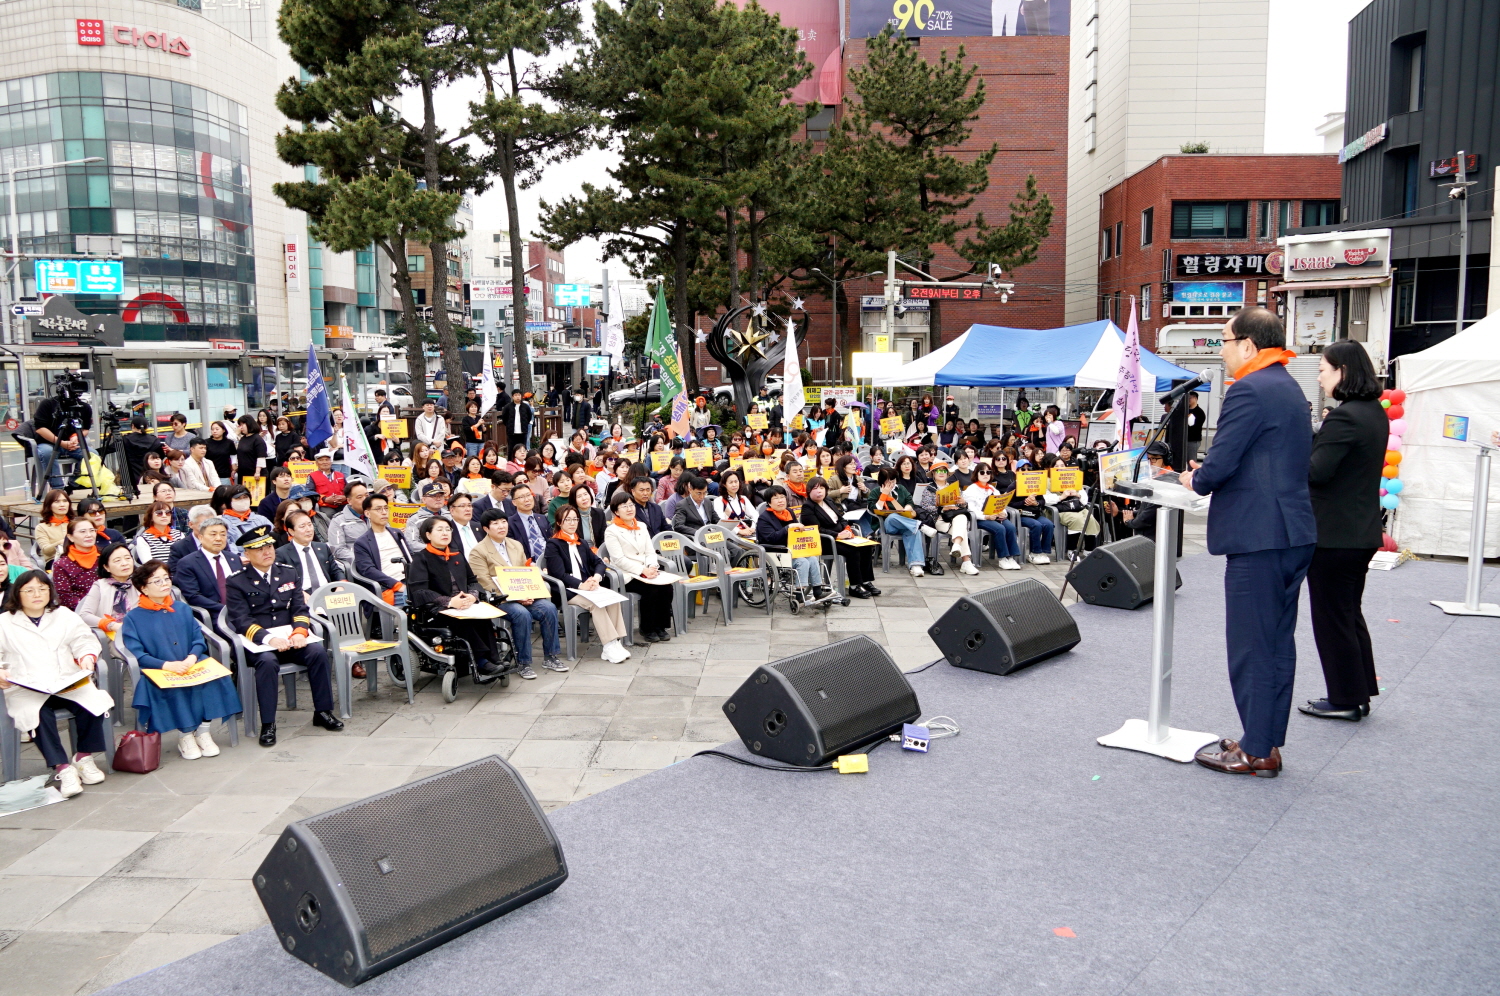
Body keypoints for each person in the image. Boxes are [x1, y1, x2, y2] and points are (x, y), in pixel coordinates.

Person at [1179, 307, 1316, 778]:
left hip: (1259, 536)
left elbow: (1217, 467)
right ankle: (1265, 739)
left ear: (1248, 345)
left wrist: (1191, 476)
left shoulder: (1250, 391)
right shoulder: (1289, 386)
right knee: (1276, 643)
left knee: (1251, 646)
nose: (1220, 349)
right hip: (1291, 530)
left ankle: (1256, 750)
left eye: (1224, 339)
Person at [1300, 340, 1387, 723]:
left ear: (1343, 372)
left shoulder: (1345, 416)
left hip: (1335, 535)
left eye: (1323, 370)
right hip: (1360, 530)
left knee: (1333, 618)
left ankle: (1345, 698)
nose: (1319, 378)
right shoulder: (1373, 412)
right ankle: (1358, 691)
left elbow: (1316, 472)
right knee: (1349, 614)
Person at [225, 524, 343, 746]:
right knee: (268, 663)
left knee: (317, 652)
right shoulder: (236, 581)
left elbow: (299, 609)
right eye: (259, 549)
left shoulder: (287, 572)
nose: (267, 551)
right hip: (257, 644)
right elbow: (241, 620)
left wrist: (300, 632)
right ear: (247, 554)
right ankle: (268, 724)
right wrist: (269, 639)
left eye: (269, 545)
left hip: (290, 638)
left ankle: (323, 711)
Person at [0, 570, 109, 798]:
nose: (37, 594)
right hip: (26, 685)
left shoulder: (64, 615)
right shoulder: (4, 622)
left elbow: (83, 639)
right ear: (17, 594)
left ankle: (83, 757)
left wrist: (87, 656)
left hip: (64, 680)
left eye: (42, 588)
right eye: (29, 590)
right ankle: (62, 768)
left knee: (91, 702)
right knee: (40, 714)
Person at [121, 560, 241, 761]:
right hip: (159, 667)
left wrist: (192, 657)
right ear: (143, 588)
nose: (164, 584)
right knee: (172, 686)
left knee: (214, 676)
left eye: (166, 579)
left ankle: (203, 730)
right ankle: (185, 735)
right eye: (156, 581)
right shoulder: (134, 617)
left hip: (191, 662)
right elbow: (137, 653)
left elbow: (197, 638)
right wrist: (167, 665)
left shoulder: (182, 609)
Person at [469, 510, 566, 677]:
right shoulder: (478, 551)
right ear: (486, 528)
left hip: (524, 594)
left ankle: (551, 656)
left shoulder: (516, 545)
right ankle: (523, 662)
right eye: (496, 523)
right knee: (522, 615)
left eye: (503, 522)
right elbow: (485, 581)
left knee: (548, 608)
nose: (501, 526)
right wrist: (514, 596)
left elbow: (524, 573)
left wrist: (529, 593)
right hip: (501, 598)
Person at [408, 515, 503, 676]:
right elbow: (420, 591)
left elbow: (473, 581)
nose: (445, 533)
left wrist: (472, 596)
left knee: (483, 617)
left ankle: (494, 658)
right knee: (463, 621)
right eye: (440, 530)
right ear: (428, 535)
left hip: (464, 602)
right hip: (437, 607)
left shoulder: (456, 554)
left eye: (448, 529)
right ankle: (481, 661)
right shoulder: (421, 558)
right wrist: (450, 601)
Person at [604, 490, 675, 642]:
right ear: (616, 511)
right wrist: (642, 571)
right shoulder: (611, 531)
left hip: (646, 570)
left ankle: (660, 626)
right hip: (627, 574)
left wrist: (652, 566)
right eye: (624, 506)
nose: (629, 509)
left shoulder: (641, 526)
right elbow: (619, 559)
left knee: (667, 587)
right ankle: (647, 628)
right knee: (652, 590)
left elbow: (650, 551)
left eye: (631, 505)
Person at [802, 477, 879, 598]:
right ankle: (854, 585)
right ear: (809, 491)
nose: (819, 491)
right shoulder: (808, 507)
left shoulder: (828, 500)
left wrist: (846, 529)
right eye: (815, 489)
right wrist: (837, 535)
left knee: (866, 546)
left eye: (822, 488)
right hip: (826, 540)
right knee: (853, 551)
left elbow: (841, 518)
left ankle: (865, 581)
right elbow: (816, 529)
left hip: (841, 536)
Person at [757, 484, 822, 598]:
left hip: (792, 549)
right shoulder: (764, 518)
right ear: (769, 502)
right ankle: (799, 594)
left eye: (782, 497)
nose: (780, 501)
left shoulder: (789, 512)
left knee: (812, 559)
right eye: (776, 498)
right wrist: (788, 528)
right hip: (775, 551)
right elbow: (771, 538)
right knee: (802, 562)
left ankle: (818, 591)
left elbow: (796, 533)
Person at [917, 459, 977, 574]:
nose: (941, 473)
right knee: (962, 528)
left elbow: (962, 505)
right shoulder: (929, 489)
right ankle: (966, 561)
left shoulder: (954, 487)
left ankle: (957, 547)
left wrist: (962, 502)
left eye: (944, 471)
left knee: (962, 517)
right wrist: (942, 508)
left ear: (947, 474)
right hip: (939, 520)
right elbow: (925, 507)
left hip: (956, 517)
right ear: (933, 474)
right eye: (938, 470)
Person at [31, 379, 93, 490]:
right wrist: (61, 443)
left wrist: (76, 437)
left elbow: (85, 429)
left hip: (72, 444)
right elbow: (40, 429)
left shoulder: (84, 407)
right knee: (47, 453)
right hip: (49, 443)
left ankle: (73, 484)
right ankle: (58, 489)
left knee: (93, 454)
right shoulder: (48, 404)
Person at [353, 493, 413, 606]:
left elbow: (410, 557)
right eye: (378, 509)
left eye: (386, 508)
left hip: (410, 580)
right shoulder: (362, 542)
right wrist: (397, 585)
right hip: (389, 586)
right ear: (367, 513)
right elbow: (368, 571)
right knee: (413, 600)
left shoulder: (397, 533)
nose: (384, 512)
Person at [173, 517, 241, 616]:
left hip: (243, 612)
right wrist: (226, 609)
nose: (218, 538)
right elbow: (193, 596)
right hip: (215, 614)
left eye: (223, 534)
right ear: (200, 537)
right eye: (213, 534)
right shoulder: (188, 563)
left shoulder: (234, 559)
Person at [869, 468, 925, 577]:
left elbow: (910, 502)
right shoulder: (876, 492)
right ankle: (920, 525)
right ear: (882, 481)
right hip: (886, 525)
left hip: (904, 523)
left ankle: (916, 565)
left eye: (893, 481)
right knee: (892, 516)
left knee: (914, 532)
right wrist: (884, 495)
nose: (891, 484)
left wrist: (907, 509)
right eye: (888, 481)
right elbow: (874, 509)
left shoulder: (901, 489)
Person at [76, 542, 139, 641]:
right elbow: (84, 615)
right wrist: (112, 625)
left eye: (127, 558)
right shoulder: (100, 586)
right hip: (114, 637)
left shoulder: (141, 583)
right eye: (117, 560)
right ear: (106, 567)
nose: (124, 563)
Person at [966, 459, 1020, 570]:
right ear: (976, 474)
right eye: (982, 472)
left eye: (988, 472)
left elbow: (1002, 503)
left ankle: (1011, 557)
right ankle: (1003, 558)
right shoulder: (971, 490)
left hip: (995, 516)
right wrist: (986, 516)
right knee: (1000, 529)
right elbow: (971, 510)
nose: (985, 474)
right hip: (981, 519)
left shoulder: (992, 489)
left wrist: (1003, 513)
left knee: (1010, 527)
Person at [275, 507, 345, 592]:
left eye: (310, 524)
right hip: (301, 595)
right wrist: (299, 594)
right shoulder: (282, 553)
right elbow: (282, 581)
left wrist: (341, 584)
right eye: (302, 526)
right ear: (291, 531)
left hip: (327, 591)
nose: (308, 529)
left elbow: (335, 570)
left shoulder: (323, 547)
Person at [53, 517, 102, 611]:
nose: (89, 535)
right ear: (70, 537)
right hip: (78, 610)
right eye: (82, 531)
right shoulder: (62, 564)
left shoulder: (104, 557)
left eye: (92, 530)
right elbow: (65, 597)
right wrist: (89, 608)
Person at [326, 481, 370, 569]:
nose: (365, 500)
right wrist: (362, 560)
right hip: (358, 565)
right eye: (360, 497)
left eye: (367, 496)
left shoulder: (376, 515)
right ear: (349, 501)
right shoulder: (338, 521)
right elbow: (338, 550)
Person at [507, 484, 553, 565]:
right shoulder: (510, 523)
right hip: (528, 563)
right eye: (521, 497)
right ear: (514, 502)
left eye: (528, 495)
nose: (527, 499)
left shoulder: (542, 518)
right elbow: (512, 550)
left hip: (549, 559)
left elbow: (552, 540)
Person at [403, 478, 452, 545]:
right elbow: (411, 543)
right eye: (434, 496)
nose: (438, 499)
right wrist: (431, 549)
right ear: (424, 500)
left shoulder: (449, 516)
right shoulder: (415, 519)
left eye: (441, 496)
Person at [35, 488, 72, 562]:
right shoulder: (42, 527)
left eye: (65, 501)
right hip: (54, 561)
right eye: (56, 501)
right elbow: (46, 551)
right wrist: (62, 542)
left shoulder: (76, 523)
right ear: (49, 505)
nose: (62, 505)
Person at [235, 415, 268, 482]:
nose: (241, 427)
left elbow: (261, 456)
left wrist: (257, 472)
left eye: (242, 424)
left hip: (255, 474)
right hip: (243, 473)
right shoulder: (243, 438)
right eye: (240, 425)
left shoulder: (257, 439)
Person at [1185, 391, 1206, 455]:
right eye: (1187, 398)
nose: (1188, 400)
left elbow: (1197, 426)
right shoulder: (1185, 410)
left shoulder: (1199, 412)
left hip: (1193, 440)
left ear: (1195, 398)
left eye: (1190, 398)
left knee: (1191, 459)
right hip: (1184, 438)